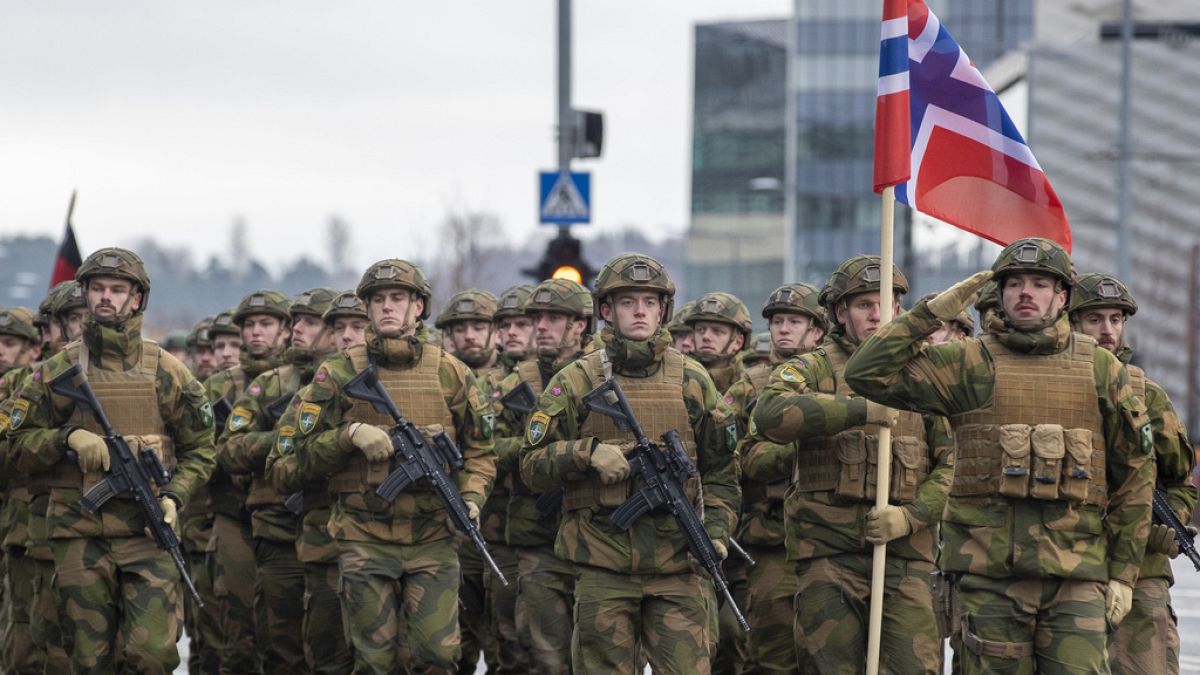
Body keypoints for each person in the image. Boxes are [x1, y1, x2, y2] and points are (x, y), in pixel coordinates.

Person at [842, 238, 1154, 673]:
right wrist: (932, 312)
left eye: (1040, 283)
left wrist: (1123, 573)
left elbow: (1135, 475)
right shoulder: (968, 363)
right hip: (988, 581)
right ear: (1000, 294)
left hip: (1076, 579)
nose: (1026, 292)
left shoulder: (1102, 369)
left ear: (1062, 297)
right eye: (1015, 283)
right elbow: (865, 373)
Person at [520, 253, 738, 675]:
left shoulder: (692, 380)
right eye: (627, 302)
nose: (640, 311)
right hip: (603, 566)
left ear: (664, 310)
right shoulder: (575, 380)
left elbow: (722, 473)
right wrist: (586, 453)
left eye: (650, 302)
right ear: (606, 310)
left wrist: (717, 534)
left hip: (679, 566)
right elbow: (531, 466)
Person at [6, 247, 216, 674]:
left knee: (153, 655)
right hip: (79, 536)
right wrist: (67, 438)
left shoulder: (167, 372)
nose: (106, 297)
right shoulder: (56, 370)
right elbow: (11, 442)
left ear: (136, 299)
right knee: (86, 659)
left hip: (147, 532)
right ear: (85, 294)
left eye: (117, 289)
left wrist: (175, 495)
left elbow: (201, 448)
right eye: (97, 288)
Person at [289, 258, 496, 673]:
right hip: (365, 535)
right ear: (366, 307)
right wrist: (349, 436)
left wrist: (472, 497)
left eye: (397, 298)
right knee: (373, 660)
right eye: (378, 299)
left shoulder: (451, 373)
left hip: (434, 537)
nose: (387, 307)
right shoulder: (338, 371)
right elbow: (299, 456)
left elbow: (480, 451)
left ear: (418, 307)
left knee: (438, 656)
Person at [749, 256, 953, 674]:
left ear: (899, 310)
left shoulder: (925, 374)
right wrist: (859, 410)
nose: (876, 313)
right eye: (863, 305)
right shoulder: (813, 367)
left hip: (905, 558)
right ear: (841, 313)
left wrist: (911, 516)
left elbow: (954, 464)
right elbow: (771, 414)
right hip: (827, 556)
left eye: (884, 302)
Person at [1067, 272, 1197, 675]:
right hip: (1065, 563)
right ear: (1071, 323)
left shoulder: (1147, 395)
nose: (1107, 330)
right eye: (1095, 320)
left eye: (1116, 320)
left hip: (1141, 569)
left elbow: (1180, 482)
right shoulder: (1055, 388)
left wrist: (1170, 525)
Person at [222, 288, 337, 674]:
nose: (297, 329)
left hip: (336, 535)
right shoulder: (270, 384)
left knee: (336, 650)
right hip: (279, 532)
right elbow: (228, 448)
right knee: (281, 648)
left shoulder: (356, 383)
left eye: (310, 322)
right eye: (296, 321)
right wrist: (284, 441)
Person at [720, 282, 826, 674]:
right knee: (769, 655)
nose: (783, 329)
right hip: (769, 537)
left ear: (816, 330)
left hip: (827, 536)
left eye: (793, 321)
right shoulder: (749, 385)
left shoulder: (831, 378)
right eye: (778, 321)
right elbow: (722, 452)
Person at [264, 291, 369, 675]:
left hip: (394, 543)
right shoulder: (312, 396)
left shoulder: (408, 388)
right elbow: (280, 470)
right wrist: (338, 445)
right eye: (339, 328)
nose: (346, 337)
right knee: (328, 659)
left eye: (358, 327)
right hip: (326, 547)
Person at [500, 278, 592, 674]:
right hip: (539, 537)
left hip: (599, 538)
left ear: (580, 326)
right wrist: (542, 449)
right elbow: (488, 448)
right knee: (545, 657)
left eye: (554, 318)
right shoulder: (514, 385)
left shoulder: (605, 379)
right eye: (537, 317)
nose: (541, 326)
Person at [206, 289, 293, 674]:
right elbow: (199, 450)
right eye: (250, 325)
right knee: (237, 632)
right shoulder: (218, 386)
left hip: (285, 518)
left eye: (266, 324)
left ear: (285, 330)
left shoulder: (300, 382)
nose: (256, 333)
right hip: (233, 514)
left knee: (285, 634)